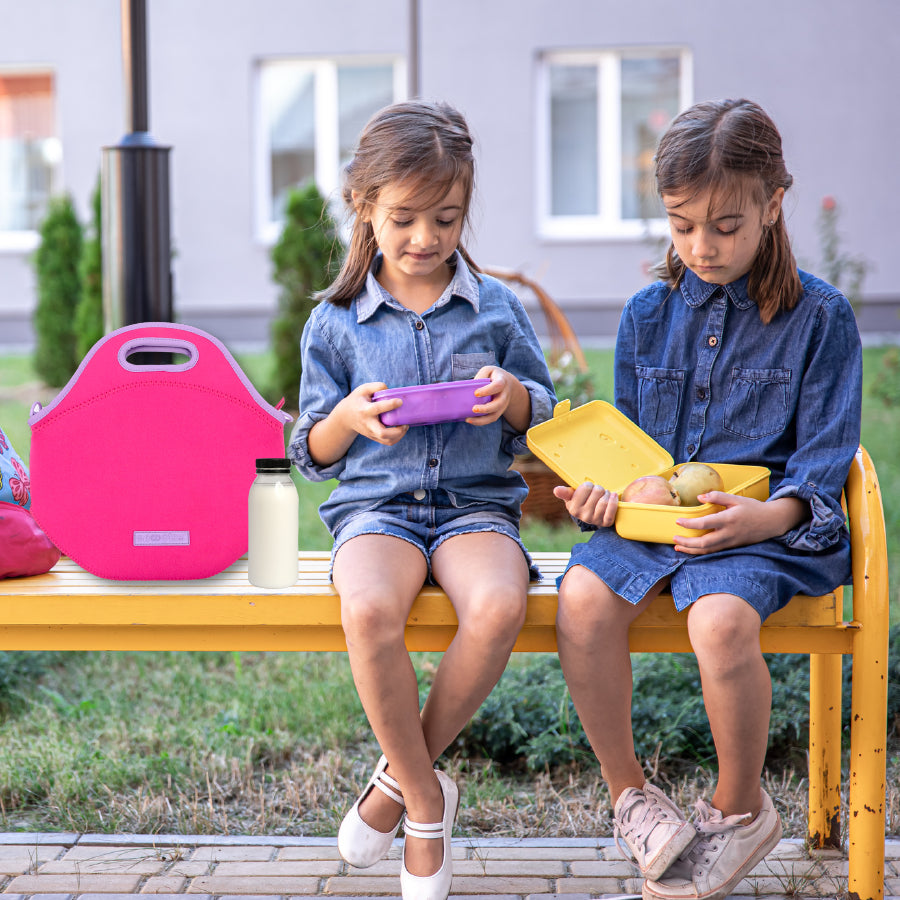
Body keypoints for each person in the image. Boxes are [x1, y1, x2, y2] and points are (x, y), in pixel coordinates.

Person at [552, 98, 862, 900]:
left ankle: (740, 808)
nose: (702, 246)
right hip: (660, 525)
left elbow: (824, 459)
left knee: (719, 621)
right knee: (581, 599)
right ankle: (632, 800)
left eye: (726, 225)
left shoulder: (820, 317)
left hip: (766, 529)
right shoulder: (645, 315)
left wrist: (768, 515)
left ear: (773, 204)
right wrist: (614, 497)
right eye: (683, 225)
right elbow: (631, 459)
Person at [288, 99, 556, 900]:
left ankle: (395, 787)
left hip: (476, 506)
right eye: (403, 217)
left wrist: (509, 395)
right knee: (368, 611)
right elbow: (308, 451)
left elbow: (542, 416)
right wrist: (347, 418)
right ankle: (429, 804)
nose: (424, 238)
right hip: (377, 511)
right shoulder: (335, 323)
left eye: (446, 217)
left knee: (500, 605)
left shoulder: (496, 307)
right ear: (363, 206)